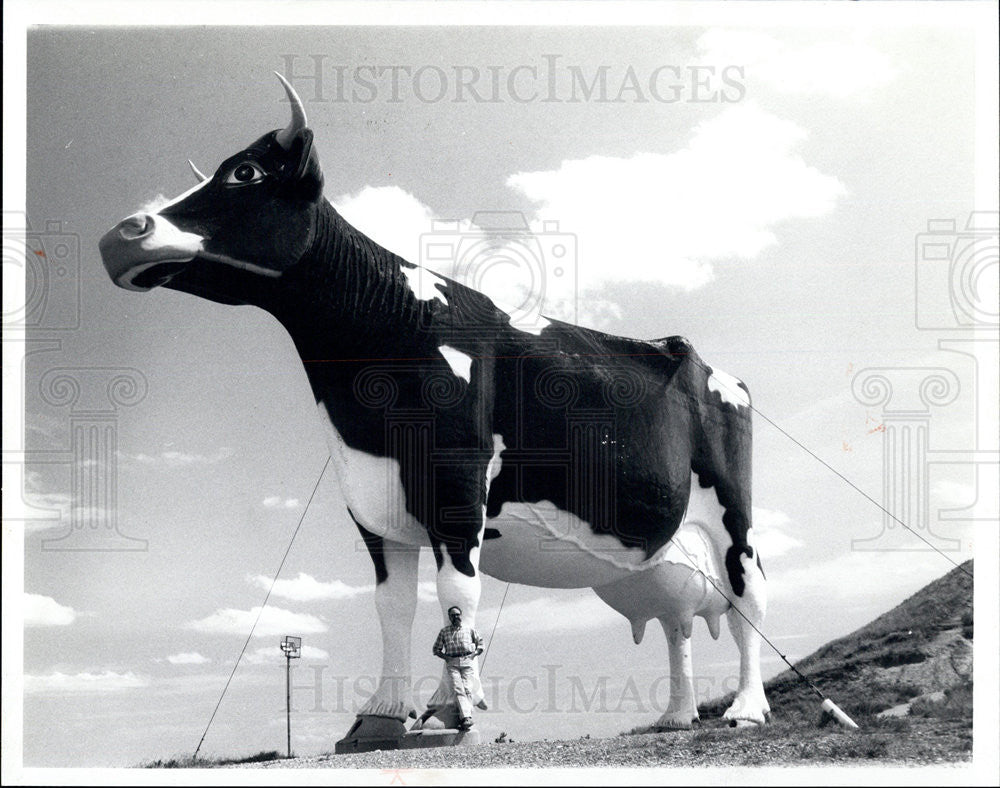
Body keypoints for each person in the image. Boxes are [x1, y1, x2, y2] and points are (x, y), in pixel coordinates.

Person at [432, 605, 484, 730]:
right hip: (452, 662)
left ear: (461, 615)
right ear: (449, 617)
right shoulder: (444, 632)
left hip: (467, 660)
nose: (456, 617)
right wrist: (446, 657)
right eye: (453, 615)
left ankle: (467, 716)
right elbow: (436, 649)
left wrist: (474, 654)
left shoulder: (469, 630)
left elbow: (480, 644)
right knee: (458, 688)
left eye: (457, 614)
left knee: (467, 688)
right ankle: (466, 717)